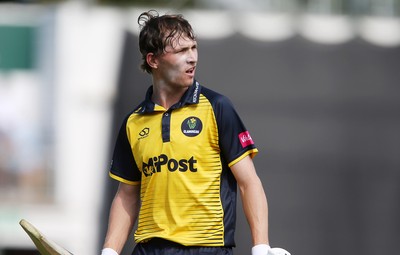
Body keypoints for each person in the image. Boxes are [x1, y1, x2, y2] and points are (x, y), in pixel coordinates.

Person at [101, 10, 290, 255]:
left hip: (207, 248)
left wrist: (261, 246)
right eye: (181, 51)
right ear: (153, 60)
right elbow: (126, 195)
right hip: (151, 249)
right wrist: (109, 251)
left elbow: (248, 182)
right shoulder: (133, 123)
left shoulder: (217, 107)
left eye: (193, 48)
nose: (192, 58)